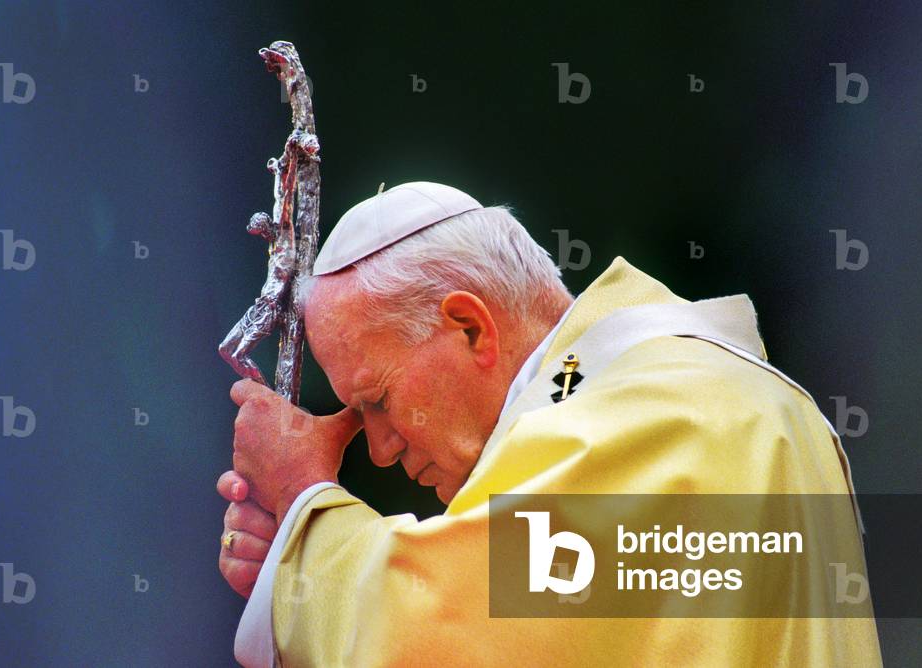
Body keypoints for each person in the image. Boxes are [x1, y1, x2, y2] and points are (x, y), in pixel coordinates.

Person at [217, 182, 882, 666]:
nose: (383, 450)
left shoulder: (663, 416)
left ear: (470, 327)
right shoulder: (686, 394)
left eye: (379, 400)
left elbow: (451, 637)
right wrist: (290, 578)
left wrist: (306, 511)